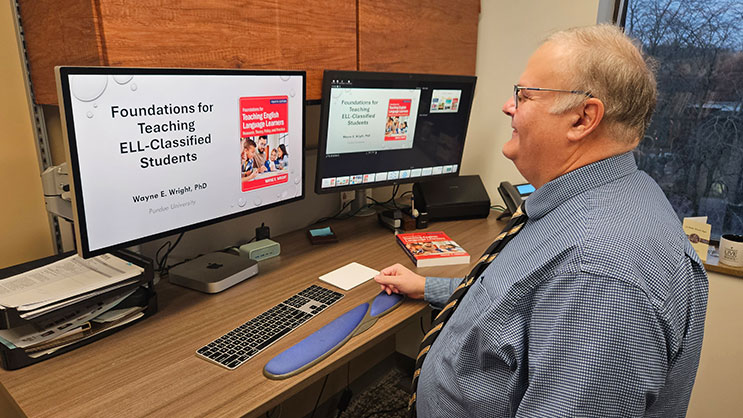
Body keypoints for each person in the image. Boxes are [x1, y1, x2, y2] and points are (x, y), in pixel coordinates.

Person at [375, 24, 708, 417]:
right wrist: (431, 287)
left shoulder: (598, 272)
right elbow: (518, 303)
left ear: (583, 119)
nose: (508, 106)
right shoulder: (597, 200)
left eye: (525, 95)